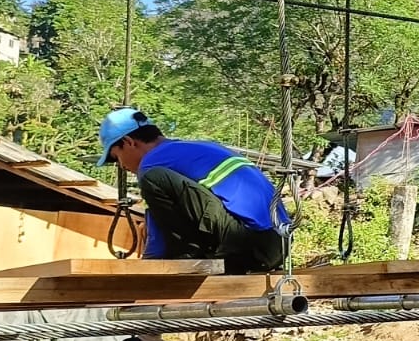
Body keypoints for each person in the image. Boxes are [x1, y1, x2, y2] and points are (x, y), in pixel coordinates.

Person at [99, 107, 287, 273]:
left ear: (129, 142)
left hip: (252, 243)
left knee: (154, 178)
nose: (121, 166)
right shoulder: (198, 147)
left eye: (117, 157)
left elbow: (160, 237)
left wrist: (153, 267)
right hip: (279, 243)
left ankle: (188, 256)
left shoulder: (152, 163)